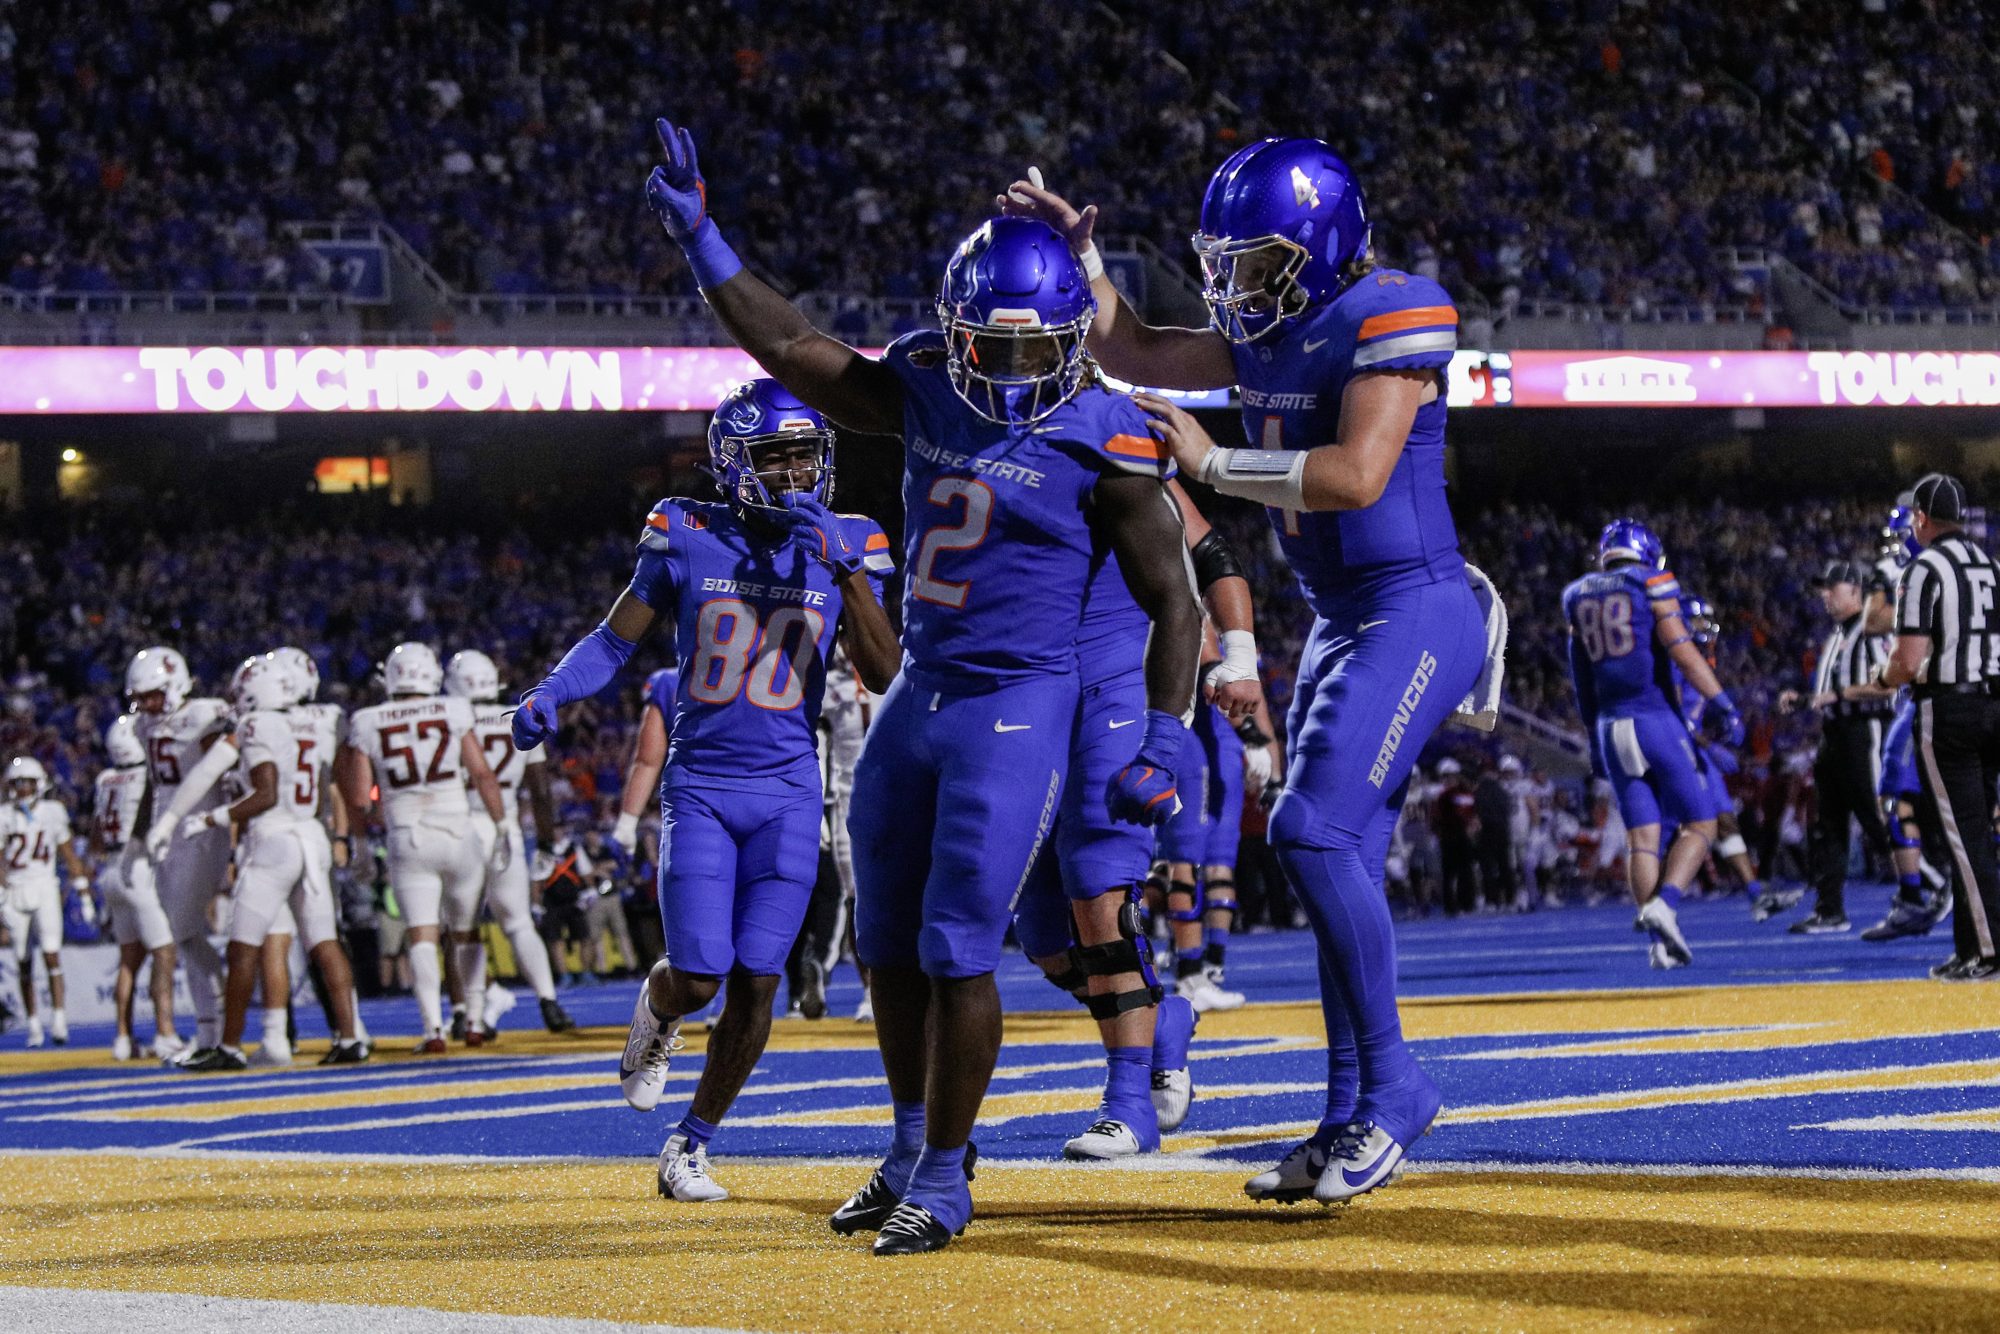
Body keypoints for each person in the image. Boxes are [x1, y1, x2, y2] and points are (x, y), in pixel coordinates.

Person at [643, 117, 1202, 1252]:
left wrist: (1163, 731)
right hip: (919, 691)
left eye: (1031, 352)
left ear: (1072, 340)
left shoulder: (1107, 432)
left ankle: (947, 1175)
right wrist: (704, 243)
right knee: (884, 941)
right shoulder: (927, 382)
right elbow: (796, 349)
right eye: (987, 349)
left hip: (1017, 703)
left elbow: (1175, 600)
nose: (1008, 373)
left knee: (957, 944)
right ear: (952, 334)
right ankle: (908, 1147)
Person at [1000, 140, 1494, 1204]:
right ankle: (1347, 1112)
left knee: (1312, 832)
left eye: (1259, 263)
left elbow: (1356, 477)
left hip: (1414, 604)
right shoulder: (1267, 331)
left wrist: (1214, 463)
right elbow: (1131, 344)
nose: (1238, 287)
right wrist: (1083, 262)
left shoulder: (1392, 311)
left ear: (1323, 245)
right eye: (1225, 264)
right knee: (1336, 859)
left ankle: (1395, 1088)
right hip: (1341, 618)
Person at [513, 375, 901, 1205]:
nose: (797, 474)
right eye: (777, 458)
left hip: (790, 790)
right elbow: (615, 641)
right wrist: (551, 690)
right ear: (733, 464)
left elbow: (882, 671)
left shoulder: (850, 539)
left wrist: (847, 573)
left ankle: (690, 1143)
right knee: (698, 977)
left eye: (807, 457)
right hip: (704, 786)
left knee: (760, 978)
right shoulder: (687, 532)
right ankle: (657, 1013)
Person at [171, 656, 367, 1070]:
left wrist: (211, 818)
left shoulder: (257, 725)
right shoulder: (316, 722)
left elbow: (265, 793)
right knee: (325, 942)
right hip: (311, 835)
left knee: (244, 947)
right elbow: (330, 783)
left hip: (273, 838)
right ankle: (351, 1037)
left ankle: (229, 1046)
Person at [337, 642, 511, 1051]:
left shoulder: (367, 719)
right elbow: (482, 774)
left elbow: (359, 798)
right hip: (458, 832)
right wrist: (502, 825)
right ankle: (473, 1020)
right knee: (466, 932)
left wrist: (360, 843)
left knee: (422, 936)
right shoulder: (454, 709)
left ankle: (433, 1029)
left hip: (407, 836)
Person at [1871, 474, 2000, 980]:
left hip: (1950, 709)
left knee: (1963, 836)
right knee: (1973, 834)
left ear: (1922, 517)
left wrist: (1882, 678)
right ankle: (1971, 945)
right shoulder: (1990, 564)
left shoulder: (1924, 568)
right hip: (1993, 704)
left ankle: (1989, 949)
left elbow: (1907, 661)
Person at [444, 649, 574, 1037]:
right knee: (518, 923)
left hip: (462, 827)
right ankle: (549, 1001)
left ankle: (468, 1011)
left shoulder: (450, 719)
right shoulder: (520, 716)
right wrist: (546, 843)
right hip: (506, 830)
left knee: (462, 927)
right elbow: (541, 792)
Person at [1775, 561, 1894, 934]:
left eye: (1833, 587)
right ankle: (1829, 909)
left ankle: (1932, 882)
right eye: (1824, 588)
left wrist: (1835, 695)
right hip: (1835, 733)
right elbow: (1829, 692)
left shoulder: (1871, 629)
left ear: (1856, 590)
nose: (1826, 595)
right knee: (1826, 823)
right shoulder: (1837, 633)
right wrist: (1805, 698)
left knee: (1876, 815)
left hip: (1864, 730)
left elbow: (1888, 684)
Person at [128, 646, 233, 1064]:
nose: (147, 705)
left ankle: (215, 1031)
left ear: (175, 685)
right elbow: (155, 784)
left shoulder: (205, 714)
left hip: (199, 829)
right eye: (141, 697)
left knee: (182, 929)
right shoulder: (144, 726)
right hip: (168, 833)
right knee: (184, 933)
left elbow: (222, 771)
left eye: (153, 695)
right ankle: (210, 1031)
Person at [1857, 505, 1950, 941]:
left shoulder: (1922, 573)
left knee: (1895, 796)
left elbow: (1873, 621)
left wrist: (1888, 589)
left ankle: (1915, 896)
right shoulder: (1968, 566)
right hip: (1971, 693)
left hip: (1930, 695)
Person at [93, 713, 179, 1060]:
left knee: (128, 959)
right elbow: (144, 824)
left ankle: (122, 1037)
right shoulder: (145, 775)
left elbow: (96, 836)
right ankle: (165, 1033)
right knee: (164, 951)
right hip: (138, 867)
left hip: (111, 870)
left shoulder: (105, 780)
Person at [1, 755, 89, 1047]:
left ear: (38, 784)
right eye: (16, 783)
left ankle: (59, 1019)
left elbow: (68, 853)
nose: (21, 789)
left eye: (26, 782)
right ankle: (34, 1025)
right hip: (15, 890)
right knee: (23, 961)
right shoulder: (4, 815)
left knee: (52, 955)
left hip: (44, 886)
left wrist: (83, 891)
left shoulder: (53, 812)